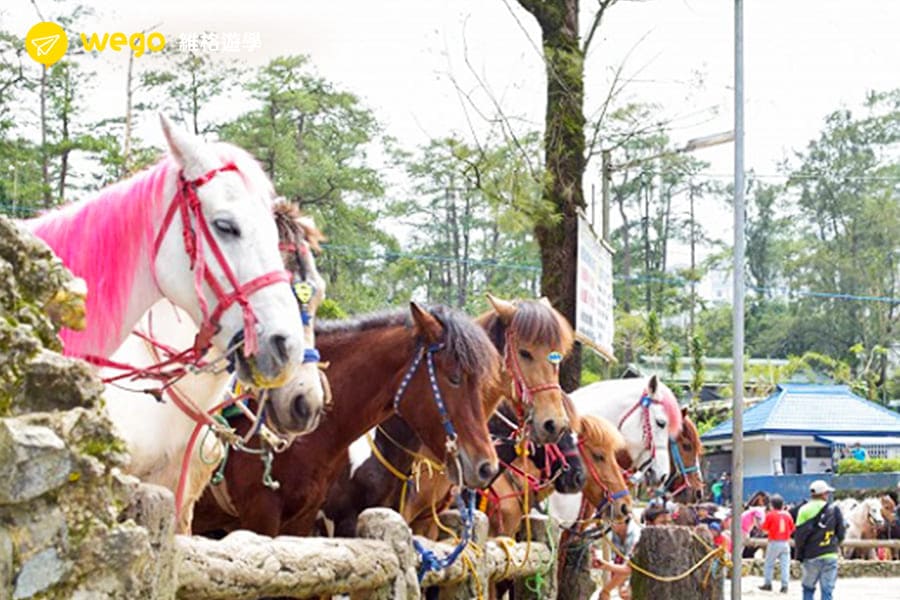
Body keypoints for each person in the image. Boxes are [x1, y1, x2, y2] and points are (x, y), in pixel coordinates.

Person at [794, 480, 845, 600]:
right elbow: (841, 534)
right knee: (827, 590)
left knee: (808, 588)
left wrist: (799, 554)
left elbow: (799, 536)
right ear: (823, 494)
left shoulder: (803, 510)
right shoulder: (834, 510)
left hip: (811, 555)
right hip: (830, 554)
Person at [594, 519, 642, 600]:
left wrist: (607, 590)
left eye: (612, 522)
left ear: (623, 521)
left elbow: (629, 568)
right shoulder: (613, 533)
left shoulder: (636, 536)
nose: (610, 525)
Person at [759, 494, 795, 593]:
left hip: (774, 541)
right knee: (785, 564)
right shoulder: (787, 514)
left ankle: (768, 583)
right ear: (782, 505)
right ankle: (784, 585)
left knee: (769, 563)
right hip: (785, 542)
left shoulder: (770, 514)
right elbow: (792, 528)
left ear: (771, 505)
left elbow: (765, 530)